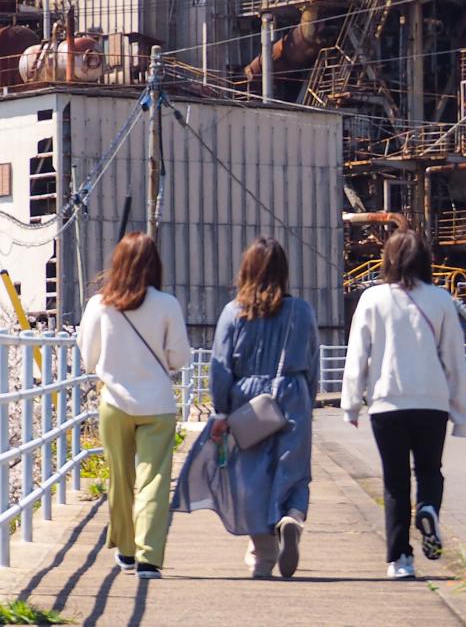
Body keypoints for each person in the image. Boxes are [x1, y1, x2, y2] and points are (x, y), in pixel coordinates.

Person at [173, 237, 318, 579]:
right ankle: (291, 518)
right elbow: (313, 363)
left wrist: (221, 410)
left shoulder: (234, 311)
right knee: (292, 468)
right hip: (292, 392)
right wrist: (305, 401)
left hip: (248, 400)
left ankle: (264, 554)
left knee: (251, 476)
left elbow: (221, 363)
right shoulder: (302, 311)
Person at [340, 229, 466, 580]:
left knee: (395, 482)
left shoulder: (372, 298)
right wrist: (460, 415)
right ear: (425, 260)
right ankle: (428, 507)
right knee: (430, 470)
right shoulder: (441, 299)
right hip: (432, 403)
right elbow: (455, 360)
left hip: (387, 403)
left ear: (388, 259)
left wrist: (351, 403)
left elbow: (358, 355)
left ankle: (400, 560)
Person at [78, 232, 191, 580]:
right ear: (154, 264)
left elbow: (87, 359)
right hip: (157, 403)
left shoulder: (99, 305)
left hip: (114, 402)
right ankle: (148, 558)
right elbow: (179, 358)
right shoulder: (167, 304)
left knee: (120, 478)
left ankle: (125, 551)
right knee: (154, 479)